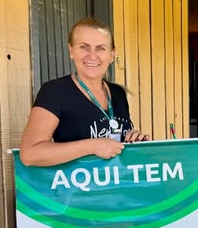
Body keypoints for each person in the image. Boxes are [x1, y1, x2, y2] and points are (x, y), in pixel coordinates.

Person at [20, 18, 149, 166]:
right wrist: (92, 146)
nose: (92, 55)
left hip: (116, 180)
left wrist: (132, 141)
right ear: (71, 51)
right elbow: (29, 154)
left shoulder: (118, 93)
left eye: (101, 48)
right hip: (77, 180)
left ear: (112, 55)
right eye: (84, 47)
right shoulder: (55, 92)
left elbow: (116, 146)